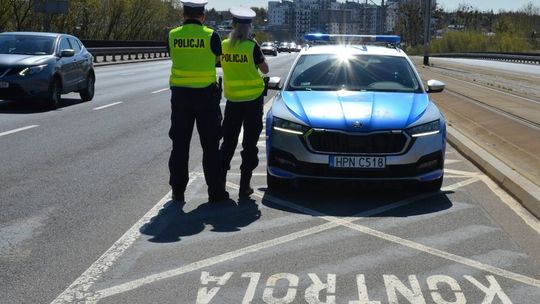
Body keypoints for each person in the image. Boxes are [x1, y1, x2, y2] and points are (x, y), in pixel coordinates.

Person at [167, 0, 229, 203]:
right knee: (210, 146)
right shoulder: (211, 35)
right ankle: (215, 192)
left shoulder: (173, 35)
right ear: (202, 16)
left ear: (184, 15)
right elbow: (218, 59)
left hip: (180, 97)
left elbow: (172, 55)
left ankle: (177, 192)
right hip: (206, 98)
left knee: (180, 146)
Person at [220, 7, 269, 197]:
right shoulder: (252, 46)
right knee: (249, 145)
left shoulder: (224, 45)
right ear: (250, 27)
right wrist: (255, 43)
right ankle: (244, 187)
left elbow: (217, 62)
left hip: (233, 101)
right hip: (253, 103)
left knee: (228, 143)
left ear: (232, 26)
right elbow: (265, 69)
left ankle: (220, 185)